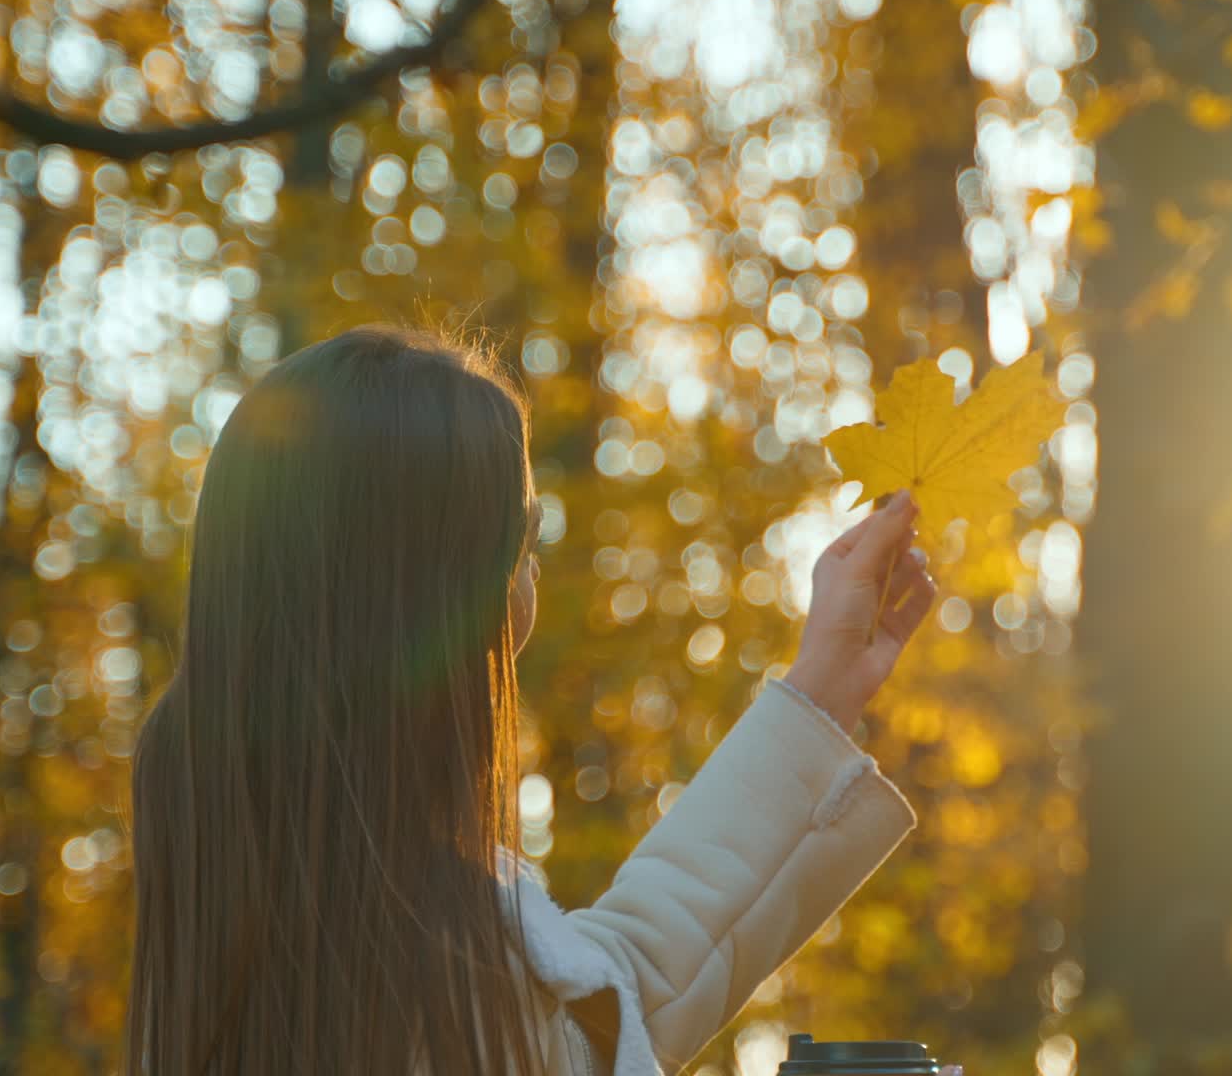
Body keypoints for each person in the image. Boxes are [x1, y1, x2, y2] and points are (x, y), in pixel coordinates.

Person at [122, 321, 940, 1076]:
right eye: (520, 539)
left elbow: (604, 1009)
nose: (532, 571)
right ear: (432, 598)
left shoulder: (241, 918)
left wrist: (825, 685)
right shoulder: (442, 990)